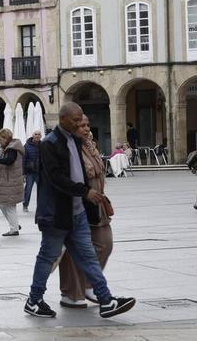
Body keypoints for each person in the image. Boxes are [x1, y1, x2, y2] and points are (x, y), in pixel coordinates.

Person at [24, 102, 135, 320]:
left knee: (88, 257)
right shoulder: (49, 144)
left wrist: (86, 198)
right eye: (75, 120)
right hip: (56, 213)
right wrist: (85, 192)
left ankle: (106, 300)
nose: (79, 124)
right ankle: (34, 300)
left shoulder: (75, 140)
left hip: (77, 213)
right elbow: (56, 178)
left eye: (81, 120)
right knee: (48, 257)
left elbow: (79, 174)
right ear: (63, 119)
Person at [58, 114, 114, 309]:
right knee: (74, 252)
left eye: (87, 124)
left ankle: (90, 284)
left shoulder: (91, 145)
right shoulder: (67, 147)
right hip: (79, 203)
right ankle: (71, 292)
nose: (85, 128)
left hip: (97, 203)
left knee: (105, 243)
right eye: (80, 125)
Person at [0, 128, 24, 237]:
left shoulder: (12, 149)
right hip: (8, 180)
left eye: (0, 139)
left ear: (5, 138)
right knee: (3, 204)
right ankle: (14, 224)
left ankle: (14, 229)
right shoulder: (9, 148)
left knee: (9, 205)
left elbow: (10, 161)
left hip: (11, 180)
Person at [23, 130, 42, 213]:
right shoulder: (26, 146)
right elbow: (23, 159)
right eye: (36, 134)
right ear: (32, 135)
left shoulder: (43, 145)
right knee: (28, 189)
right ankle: (25, 205)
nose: (37, 136)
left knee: (41, 190)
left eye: (39, 134)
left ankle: (40, 206)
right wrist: (23, 172)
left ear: (41, 136)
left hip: (40, 171)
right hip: (30, 171)